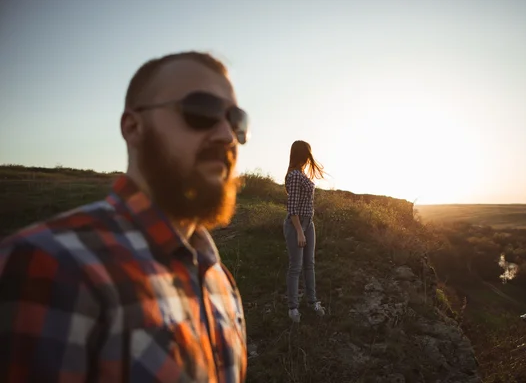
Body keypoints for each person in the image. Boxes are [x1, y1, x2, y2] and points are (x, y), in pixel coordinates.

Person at [0, 51, 249, 382]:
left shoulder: (218, 280)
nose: (227, 136)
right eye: (201, 111)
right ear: (134, 127)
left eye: (236, 121)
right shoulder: (49, 265)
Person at [283, 140, 327, 323]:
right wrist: (300, 231)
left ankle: (312, 301)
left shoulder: (300, 174)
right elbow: (292, 208)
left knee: (310, 264)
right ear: (302, 154)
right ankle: (293, 309)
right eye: (307, 154)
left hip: (308, 224)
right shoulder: (294, 176)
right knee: (296, 266)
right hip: (297, 225)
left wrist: (305, 228)